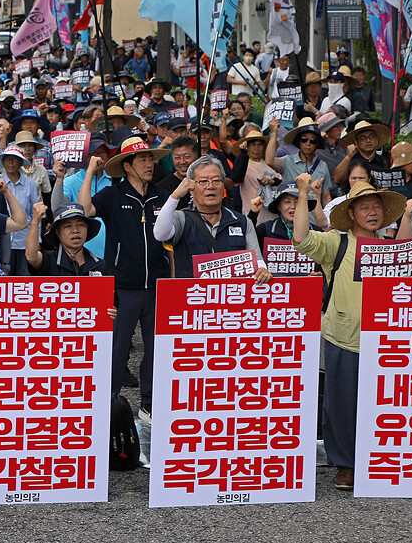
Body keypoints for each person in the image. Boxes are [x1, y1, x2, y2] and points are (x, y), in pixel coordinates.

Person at [288, 175, 412, 492]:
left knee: (385, 404)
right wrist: (303, 193)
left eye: (377, 207)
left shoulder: (391, 248)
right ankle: (346, 464)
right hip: (343, 337)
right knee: (342, 405)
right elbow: (300, 238)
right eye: (365, 207)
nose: (372, 212)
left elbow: (410, 280)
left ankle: (380, 459)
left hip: (387, 341)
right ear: (352, 214)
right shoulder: (337, 243)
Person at [79, 136, 171, 424]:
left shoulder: (161, 195)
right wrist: (91, 173)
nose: (148, 163)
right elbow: (85, 210)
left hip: (157, 287)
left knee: (156, 350)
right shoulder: (112, 194)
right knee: (117, 350)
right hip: (121, 287)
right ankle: (107, 405)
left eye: (150, 158)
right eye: (142, 159)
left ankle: (149, 405)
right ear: (127, 166)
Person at [154, 157, 272, 281]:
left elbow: (257, 261)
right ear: (191, 189)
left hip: (230, 296)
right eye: (203, 181)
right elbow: (160, 234)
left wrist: (262, 271)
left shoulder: (241, 222)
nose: (210, 187)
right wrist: (175, 196)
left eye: (216, 181)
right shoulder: (182, 218)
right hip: (193, 296)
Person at [0, 145, 40, 275]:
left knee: (24, 277)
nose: (11, 162)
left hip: (24, 239)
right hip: (1, 239)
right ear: (3, 162)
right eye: (7, 159)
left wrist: (37, 239)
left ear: (21, 162)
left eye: (15, 159)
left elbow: (35, 213)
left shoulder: (30, 184)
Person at [25, 202, 105, 276]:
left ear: (87, 228)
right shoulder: (49, 260)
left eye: (80, 225)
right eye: (68, 226)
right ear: (57, 232)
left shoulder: (99, 265)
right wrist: (35, 221)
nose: (75, 230)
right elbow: (31, 257)